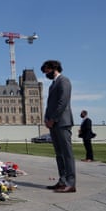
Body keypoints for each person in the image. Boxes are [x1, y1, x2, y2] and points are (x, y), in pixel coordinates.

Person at [41, 60, 76, 193]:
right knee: (59, 154)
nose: (45, 74)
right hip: (53, 124)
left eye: (46, 71)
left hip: (62, 122)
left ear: (53, 68)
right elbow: (49, 105)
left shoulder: (64, 81)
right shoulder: (52, 85)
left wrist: (53, 119)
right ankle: (62, 181)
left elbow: (63, 102)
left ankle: (71, 184)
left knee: (67, 154)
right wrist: (46, 119)